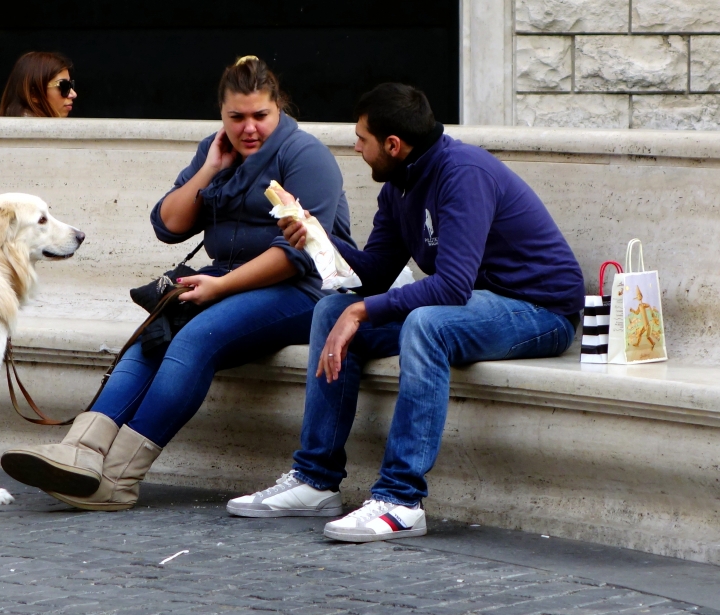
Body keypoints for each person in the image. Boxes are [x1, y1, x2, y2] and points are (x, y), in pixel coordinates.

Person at [227, 83, 584, 542]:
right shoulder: (399, 186)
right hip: (476, 307)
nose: (356, 147)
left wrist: (363, 312)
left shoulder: (463, 174)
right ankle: (316, 479)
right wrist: (317, 235)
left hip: (539, 314)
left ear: (393, 145)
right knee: (331, 309)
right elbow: (375, 272)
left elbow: (451, 287)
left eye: (362, 139)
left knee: (424, 323)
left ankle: (401, 499)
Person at [0, 56, 357, 511]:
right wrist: (209, 168)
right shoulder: (218, 148)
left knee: (194, 339)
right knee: (154, 336)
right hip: (229, 281)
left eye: (260, 116)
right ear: (222, 114)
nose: (248, 128)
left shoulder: (306, 155)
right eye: (236, 117)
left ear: (279, 109)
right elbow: (168, 224)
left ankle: (118, 479)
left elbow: (293, 257)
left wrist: (218, 289)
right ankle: (81, 453)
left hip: (304, 290)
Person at [0, 51, 77, 117]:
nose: (73, 94)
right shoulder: (31, 133)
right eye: (64, 86)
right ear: (33, 94)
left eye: (71, 85)